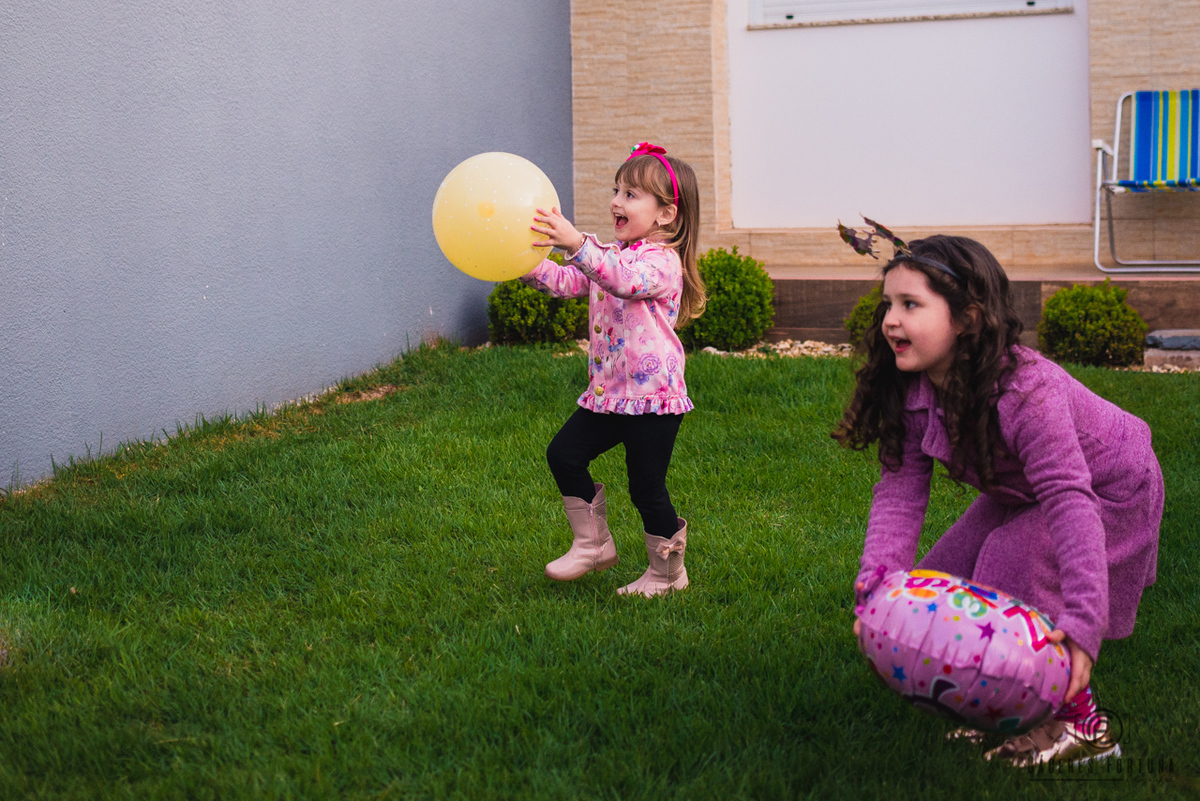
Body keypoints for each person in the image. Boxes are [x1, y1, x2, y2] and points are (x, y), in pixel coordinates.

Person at [832, 221, 1162, 767]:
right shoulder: (916, 386)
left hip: (1109, 486)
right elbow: (900, 492)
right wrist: (876, 588)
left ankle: (1085, 727)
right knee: (934, 589)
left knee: (1015, 561)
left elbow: (1069, 501)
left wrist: (1083, 624)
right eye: (888, 303)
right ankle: (1001, 704)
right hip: (1021, 489)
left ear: (967, 319)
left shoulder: (1027, 391)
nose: (890, 319)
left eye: (911, 304)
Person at [521, 143, 705, 597]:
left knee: (646, 487)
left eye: (631, 194)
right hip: (609, 395)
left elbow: (621, 279)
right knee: (564, 454)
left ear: (666, 214)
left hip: (653, 399)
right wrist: (522, 262)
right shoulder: (614, 255)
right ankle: (593, 545)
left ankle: (668, 575)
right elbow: (570, 280)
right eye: (616, 190)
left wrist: (577, 243)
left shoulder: (660, 262)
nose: (617, 201)